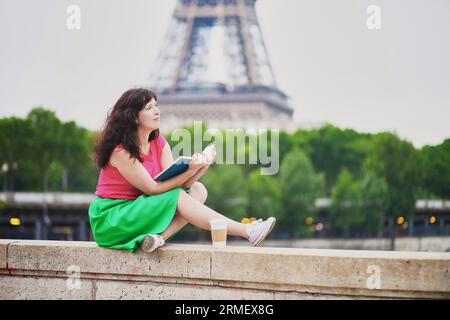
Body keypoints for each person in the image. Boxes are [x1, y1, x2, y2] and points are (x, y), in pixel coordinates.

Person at [88, 88, 276, 253]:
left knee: (198, 190)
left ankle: (159, 238)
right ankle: (246, 231)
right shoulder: (121, 151)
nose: (157, 111)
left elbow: (181, 185)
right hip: (112, 217)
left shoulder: (159, 143)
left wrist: (202, 166)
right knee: (177, 195)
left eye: (156, 105)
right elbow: (153, 189)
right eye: (149, 108)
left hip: (138, 208)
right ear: (133, 117)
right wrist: (190, 170)